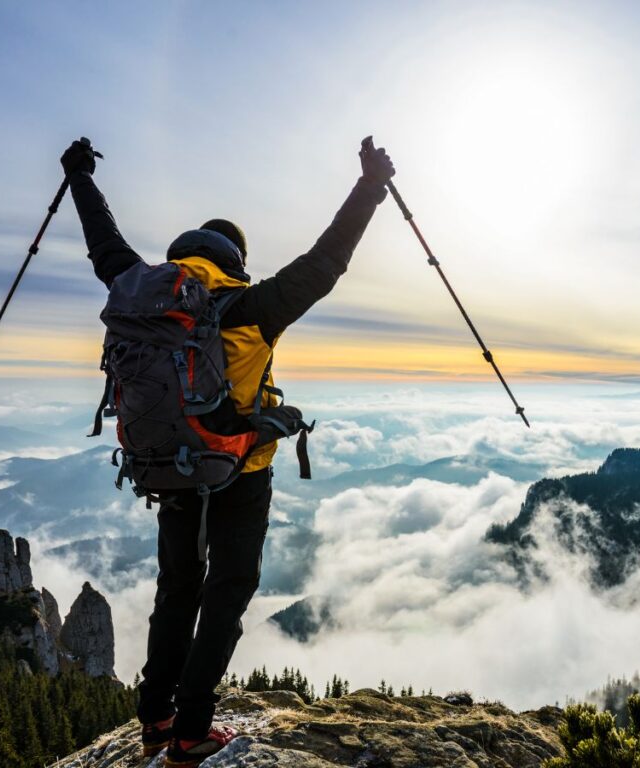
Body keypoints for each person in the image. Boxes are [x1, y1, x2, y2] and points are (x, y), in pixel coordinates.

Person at [60, 137, 395, 766]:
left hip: (168, 467)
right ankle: (191, 731)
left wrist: (79, 175)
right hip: (239, 471)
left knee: (176, 590)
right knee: (227, 593)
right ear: (234, 259)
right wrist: (370, 184)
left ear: (182, 257)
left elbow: (101, 238)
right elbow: (327, 261)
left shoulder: (137, 288)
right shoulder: (251, 306)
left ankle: (156, 717)